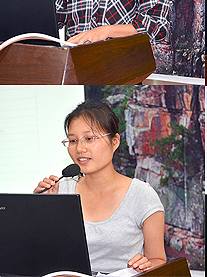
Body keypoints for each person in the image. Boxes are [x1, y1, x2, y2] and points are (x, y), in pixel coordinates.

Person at [33, 100, 166, 273]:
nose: (79, 148)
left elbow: (158, 260)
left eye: (89, 139)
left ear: (114, 141)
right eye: (73, 140)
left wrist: (143, 266)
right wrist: (38, 209)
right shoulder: (59, 191)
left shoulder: (141, 195)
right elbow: (40, 253)